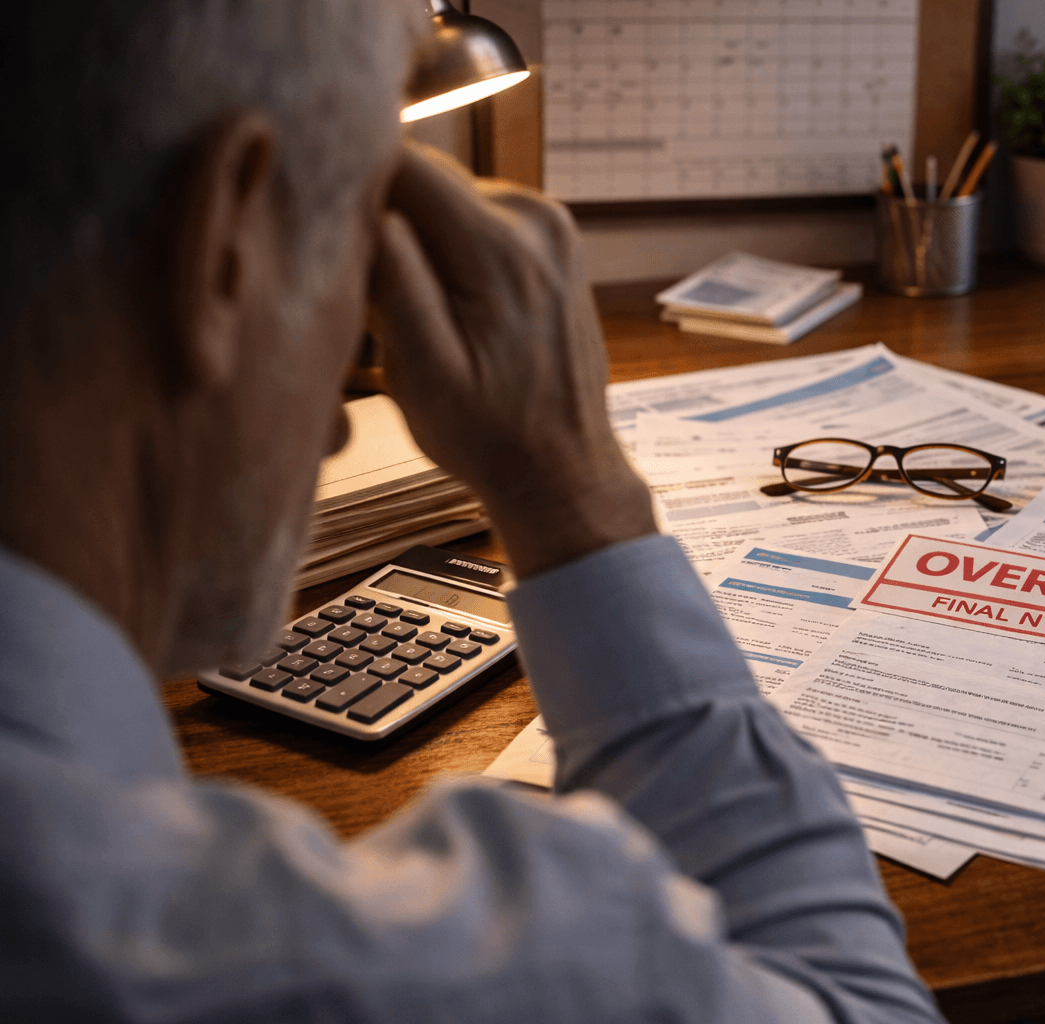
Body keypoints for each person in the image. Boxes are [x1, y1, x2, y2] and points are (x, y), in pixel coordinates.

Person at [0, 3, 942, 1022]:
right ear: (224, 245)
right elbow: (862, 1004)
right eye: (351, 255)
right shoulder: (418, 967)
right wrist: (577, 492)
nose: (336, 422)